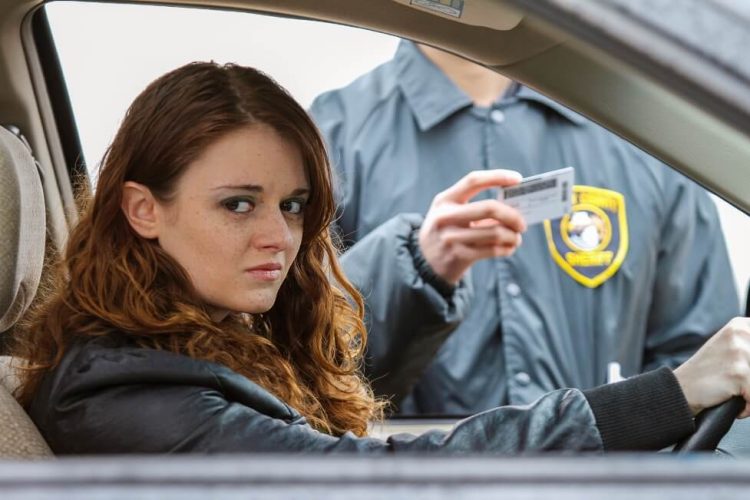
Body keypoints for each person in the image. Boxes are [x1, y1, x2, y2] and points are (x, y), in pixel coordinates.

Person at [10, 61, 750, 455]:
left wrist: (682, 394)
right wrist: (416, 267)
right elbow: (366, 475)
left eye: (295, 206)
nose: (281, 238)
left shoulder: (638, 149)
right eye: (238, 204)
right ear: (144, 209)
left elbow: (327, 382)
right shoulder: (128, 391)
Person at [309, 40, 740, 414]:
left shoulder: (639, 134)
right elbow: (303, 366)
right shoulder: (333, 136)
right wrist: (415, 270)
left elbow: (704, 360)